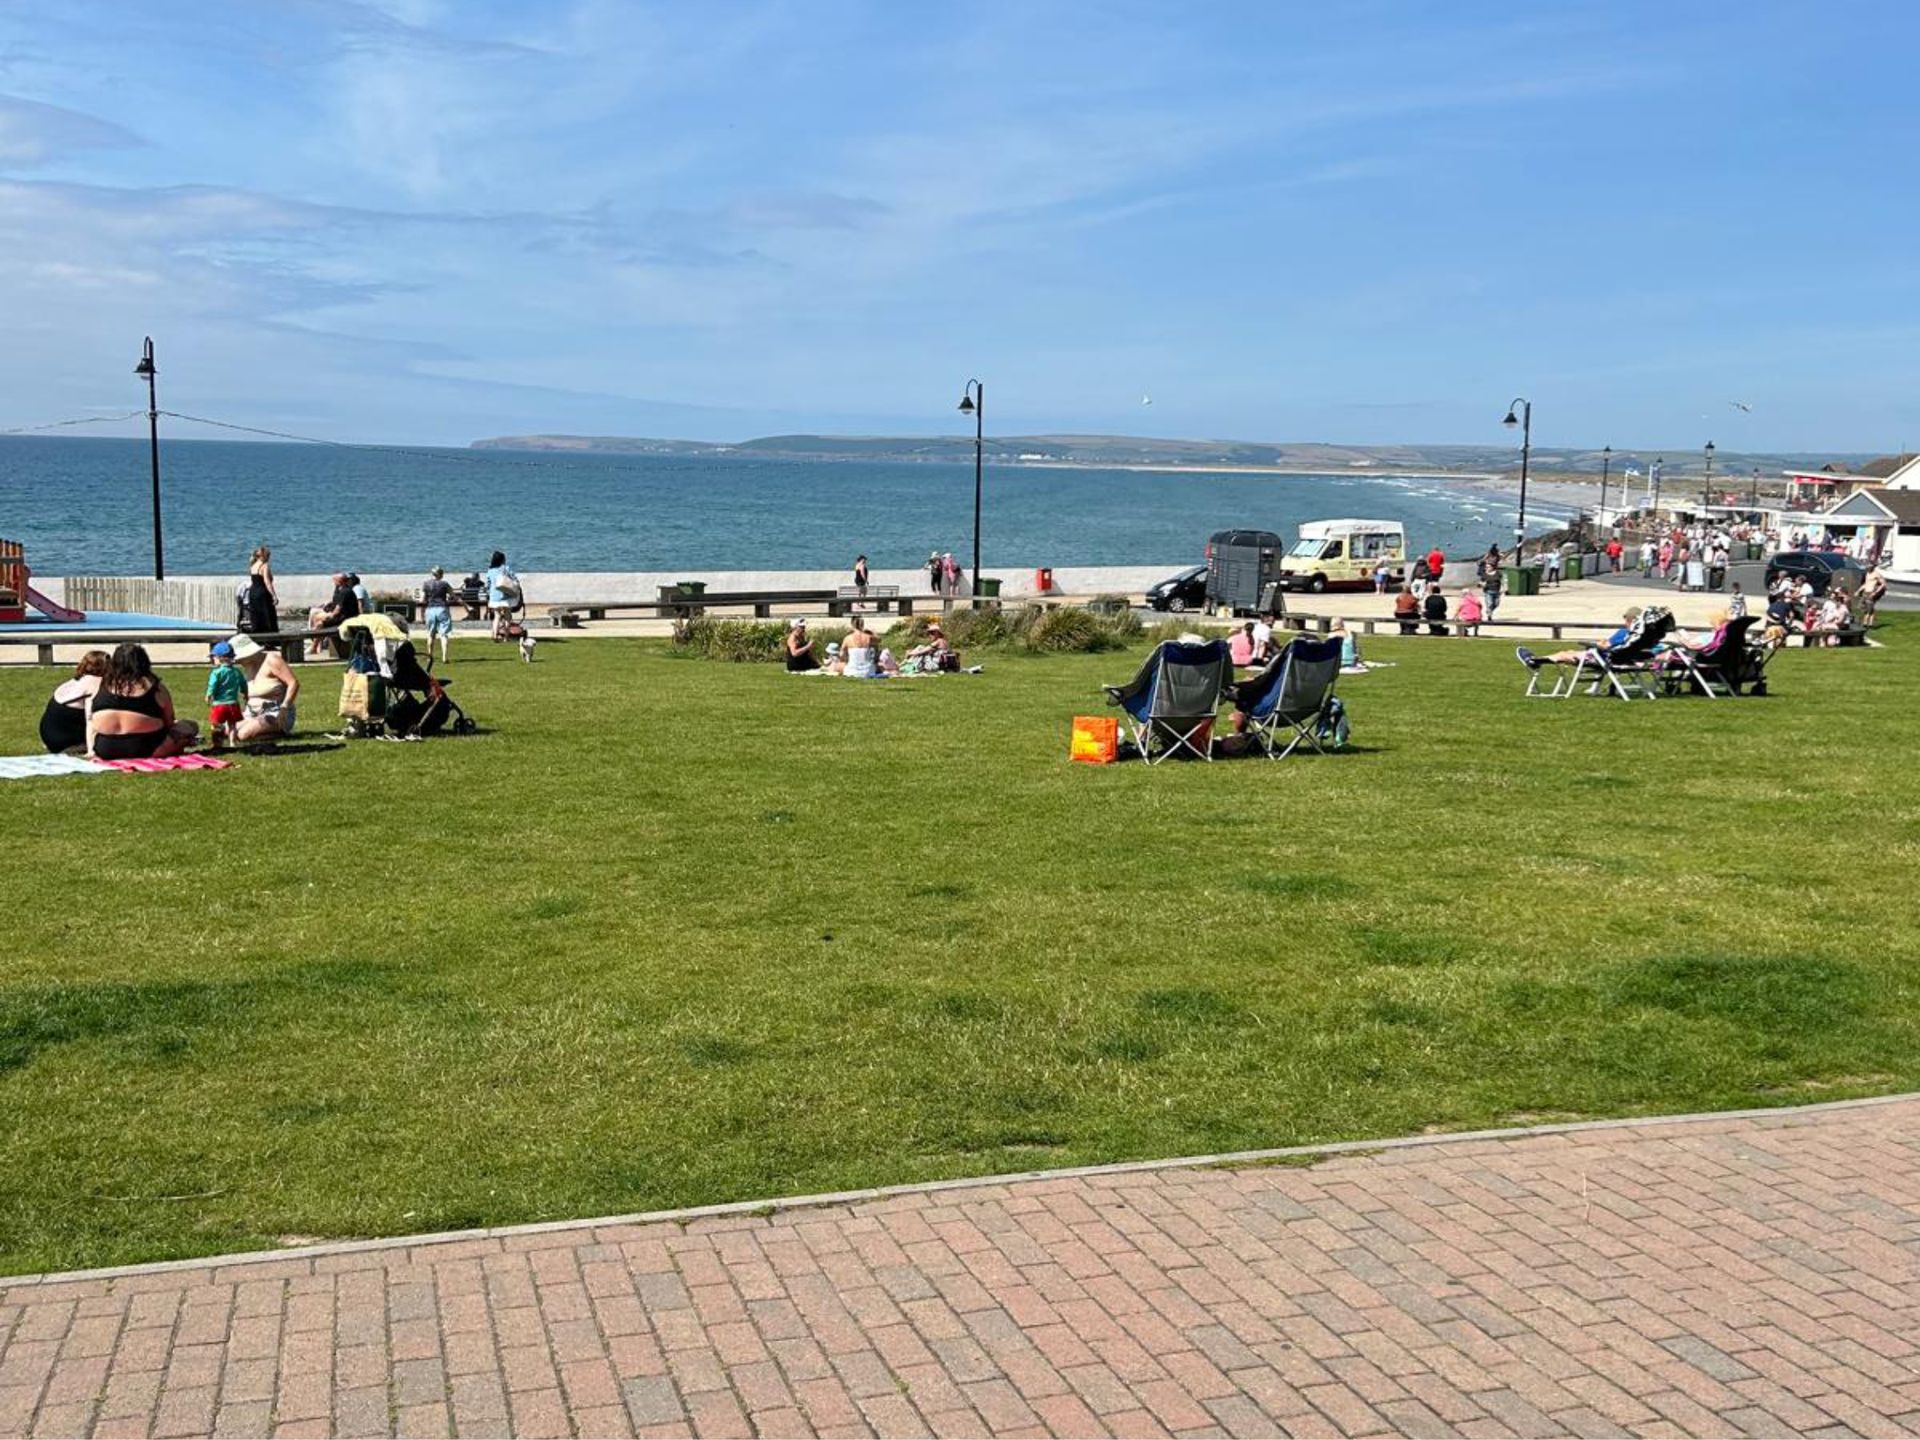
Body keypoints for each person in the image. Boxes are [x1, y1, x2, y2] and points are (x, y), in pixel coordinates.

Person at [86, 644, 197, 759]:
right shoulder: (155, 688)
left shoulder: (100, 686)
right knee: (190, 726)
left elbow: (92, 719)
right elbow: (169, 722)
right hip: (148, 749)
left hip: (105, 749)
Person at [230, 633, 301, 742]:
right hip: (251, 713)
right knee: (225, 730)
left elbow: (293, 683)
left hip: (275, 711)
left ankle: (280, 732)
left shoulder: (272, 660)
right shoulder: (247, 665)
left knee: (243, 735)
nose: (236, 661)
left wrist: (285, 706)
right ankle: (255, 728)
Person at [1517, 607, 1642, 668]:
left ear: (1630, 620)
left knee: (1565, 654)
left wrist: (1596, 643)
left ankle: (1533, 660)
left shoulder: (1624, 633)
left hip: (1604, 660)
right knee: (1569, 653)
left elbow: (1606, 646)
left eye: (1626, 619)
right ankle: (1537, 660)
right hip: (1626, 662)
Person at [38, 650, 110, 753]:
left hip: (48, 734)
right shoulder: (94, 684)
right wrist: (91, 751)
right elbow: (90, 719)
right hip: (63, 741)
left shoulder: (78, 680)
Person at [205, 641, 247, 749]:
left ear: (219, 658)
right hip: (233, 703)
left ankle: (217, 744)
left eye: (213, 657)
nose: (212, 660)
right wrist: (245, 693)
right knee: (232, 724)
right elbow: (243, 684)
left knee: (216, 724)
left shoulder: (216, 672)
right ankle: (232, 743)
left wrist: (209, 695)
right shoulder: (237, 672)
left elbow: (212, 685)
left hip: (219, 704)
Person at [422, 566, 455, 666]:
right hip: (442, 608)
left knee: (431, 634)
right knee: (444, 634)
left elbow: (423, 599)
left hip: (431, 609)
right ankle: (444, 657)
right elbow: (452, 595)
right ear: (441, 574)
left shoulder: (426, 584)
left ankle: (429, 656)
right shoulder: (444, 584)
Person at [485, 550, 521, 642]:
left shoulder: (490, 571)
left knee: (497, 616)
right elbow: (515, 579)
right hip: (506, 595)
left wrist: (490, 593)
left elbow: (487, 585)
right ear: (502, 560)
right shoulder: (506, 568)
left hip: (494, 596)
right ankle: (506, 637)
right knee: (507, 616)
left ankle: (494, 635)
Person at [245, 545, 278, 635]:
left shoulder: (253, 566)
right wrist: (274, 595)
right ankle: (270, 639)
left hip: (253, 593)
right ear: (265, 556)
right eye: (268, 556)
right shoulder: (264, 566)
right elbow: (267, 582)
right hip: (262, 593)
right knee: (267, 616)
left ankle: (258, 636)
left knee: (256, 616)